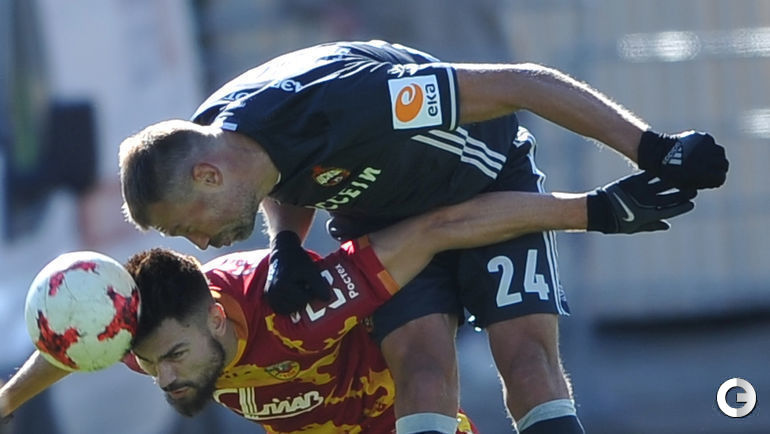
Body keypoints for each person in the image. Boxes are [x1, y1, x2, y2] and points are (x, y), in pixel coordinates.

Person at [118, 40, 728, 433]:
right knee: (421, 373)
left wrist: (652, 148)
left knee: (527, 363)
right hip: (381, 218)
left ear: (207, 176)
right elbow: (275, 170)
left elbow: (522, 84)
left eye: (185, 224)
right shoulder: (222, 140)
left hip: (487, 182)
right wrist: (286, 243)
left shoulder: (354, 104)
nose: (199, 244)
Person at [0, 172, 695, 433]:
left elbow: (440, 227)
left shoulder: (301, 301)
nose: (165, 378)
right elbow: (74, 348)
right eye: (152, 365)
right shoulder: (155, 340)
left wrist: (593, 210)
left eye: (175, 358)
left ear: (215, 315)